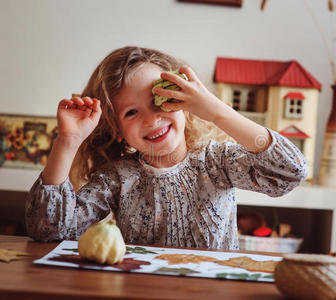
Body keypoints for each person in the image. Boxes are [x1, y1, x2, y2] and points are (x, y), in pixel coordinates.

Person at [26, 46, 308, 250]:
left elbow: (291, 171)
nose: (151, 118)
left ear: (186, 105)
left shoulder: (218, 162)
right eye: (131, 113)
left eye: (159, 101)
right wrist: (68, 142)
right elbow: (50, 232)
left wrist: (216, 111)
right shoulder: (118, 178)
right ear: (117, 132)